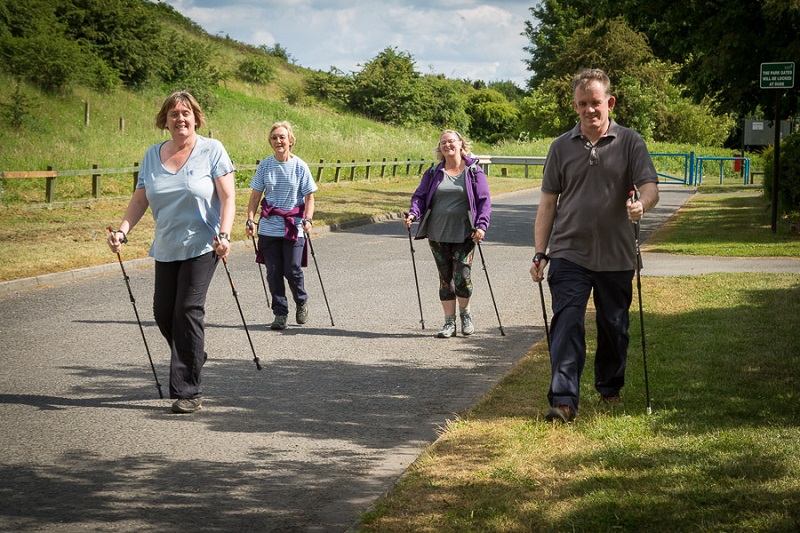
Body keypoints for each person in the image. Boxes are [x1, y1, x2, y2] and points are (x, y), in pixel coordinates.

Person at [530, 68, 660, 423]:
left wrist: (641, 205)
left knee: (614, 327)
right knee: (568, 321)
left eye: (596, 102)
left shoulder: (631, 142)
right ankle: (563, 400)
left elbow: (650, 187)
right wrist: (540, 252)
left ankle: (609, 386)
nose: (590, 109)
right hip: (570, 252)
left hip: (617, 255)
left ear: (610, 103)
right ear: (575, 105)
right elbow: (547, 204)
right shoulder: (560, 147)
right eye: (583, 103)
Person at [108, 90, 235, 414]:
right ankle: (193, 355)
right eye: (174, 114)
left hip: (203, 244)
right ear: (164, 120)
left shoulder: (212, 150)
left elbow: (228, 197)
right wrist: (122, 231)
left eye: (186, 113)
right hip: (165, 247)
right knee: (163, 313)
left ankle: (188, 390)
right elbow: (140, 199)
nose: (180, 118)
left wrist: (224, 234)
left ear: (196, 117)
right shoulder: (152, 155)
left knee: (188, 309)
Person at [404, 130, 492, 338]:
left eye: (451, 141)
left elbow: (484, 201)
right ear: (440, 148)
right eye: (443, 142)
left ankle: (466, 314)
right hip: (437, 233)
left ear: (461, 144)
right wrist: (413, 213)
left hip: (465, 234)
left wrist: (481, 226)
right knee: (445, 278)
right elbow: (420, 196)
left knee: (462, 276)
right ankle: (448, 323)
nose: (447, 145)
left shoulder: (473, 171)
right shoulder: (434, 172)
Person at [246, 121, 317, 331]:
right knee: (273, 272)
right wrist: (250, 219)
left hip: (294, 225)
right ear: (270, 142)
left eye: (282, 137)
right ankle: (280, 313)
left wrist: (308, 219)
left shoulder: (300, 166)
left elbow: (309, 197)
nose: (278, 141)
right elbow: (255, 196)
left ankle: (301, 300)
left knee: (292, 269)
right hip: (269, 227)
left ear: (290, 141)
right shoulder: (265, 166)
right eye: (274, 137)